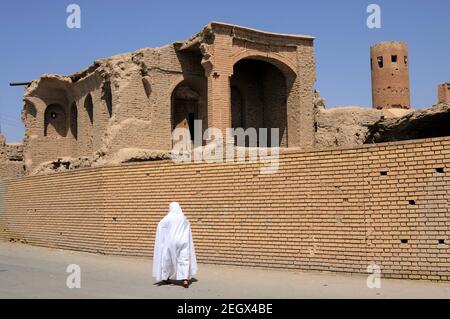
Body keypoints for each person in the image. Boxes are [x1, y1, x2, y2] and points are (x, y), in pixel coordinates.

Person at [152, 202, 197, 288]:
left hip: (170, 241)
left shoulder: (168, 217)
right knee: (184, 258)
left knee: (167, 259)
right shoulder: (183, 218)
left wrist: (164, 235)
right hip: (183, 241)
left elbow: (160, 226)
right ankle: (185, 280)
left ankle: (166, 277)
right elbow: (187, 229)